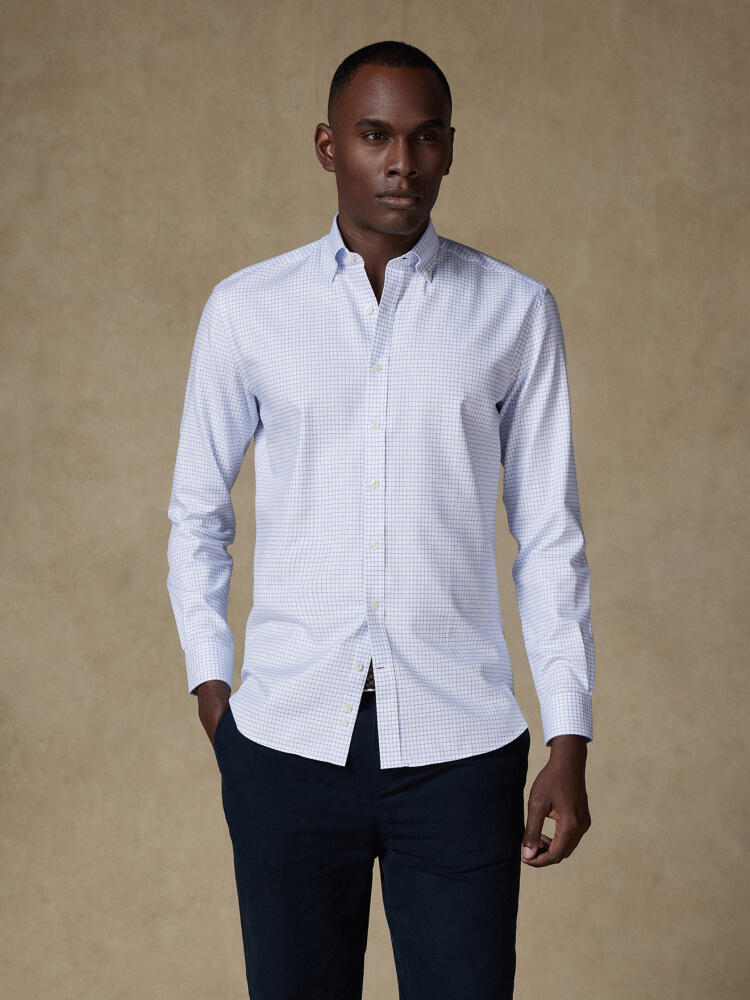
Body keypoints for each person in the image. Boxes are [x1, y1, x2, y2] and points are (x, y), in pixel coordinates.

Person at [166, 39, 595, 1000]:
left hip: (460, 750)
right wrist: (213, 687)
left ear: (450, 150)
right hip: (285, 744)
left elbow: (549, 537)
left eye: (425, 137)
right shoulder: (246, 311)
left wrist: (569, 738)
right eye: (374, 136)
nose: (402, 162)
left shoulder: (516, 311)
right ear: (329, 146)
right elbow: (197, 516)